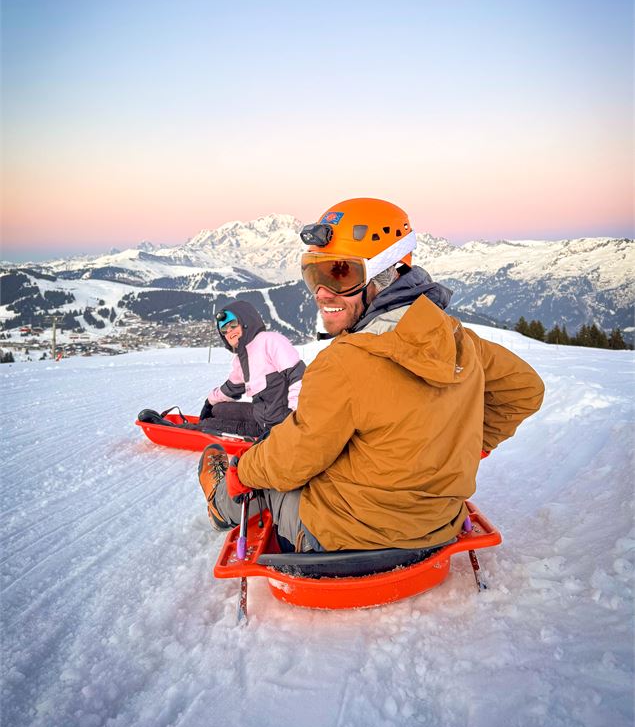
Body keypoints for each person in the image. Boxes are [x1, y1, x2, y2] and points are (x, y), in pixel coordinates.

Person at [199, 198, 545, 550]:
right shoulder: (455, 338)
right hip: (439, 523)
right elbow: (524, 389)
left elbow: (294, 459)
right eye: (314, 275)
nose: (322, 294)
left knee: (268, 482)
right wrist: (463, 448)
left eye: (340, 275)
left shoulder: (344, 362)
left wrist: (244, 469)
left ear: (385, 273)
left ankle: (221, 505)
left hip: (346, 535)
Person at [198, 299, 305, 439]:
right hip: (259, 416)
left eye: (233, 324)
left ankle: (181, 429)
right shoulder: (241, 358)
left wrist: (295, 420)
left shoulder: (270, 341)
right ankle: (205, 421)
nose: (229, 331)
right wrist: (209, 402)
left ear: (246, 321)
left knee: (207, 426)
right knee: (217, 409)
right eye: (224, 329)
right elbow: (230, 388)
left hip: (277, 426)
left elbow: (299, 376)